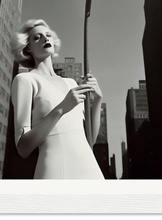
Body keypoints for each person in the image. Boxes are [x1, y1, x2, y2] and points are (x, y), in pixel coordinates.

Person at [10, 19, 105, 179]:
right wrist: (62, 108)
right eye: (37, 37)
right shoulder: (25, 80)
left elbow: (89, 140)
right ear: (28, 48)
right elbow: (23, 148)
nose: (45, 39)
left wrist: (98, 100)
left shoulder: (71, 83)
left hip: (90, 169)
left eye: (48, 35)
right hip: (56, 170)